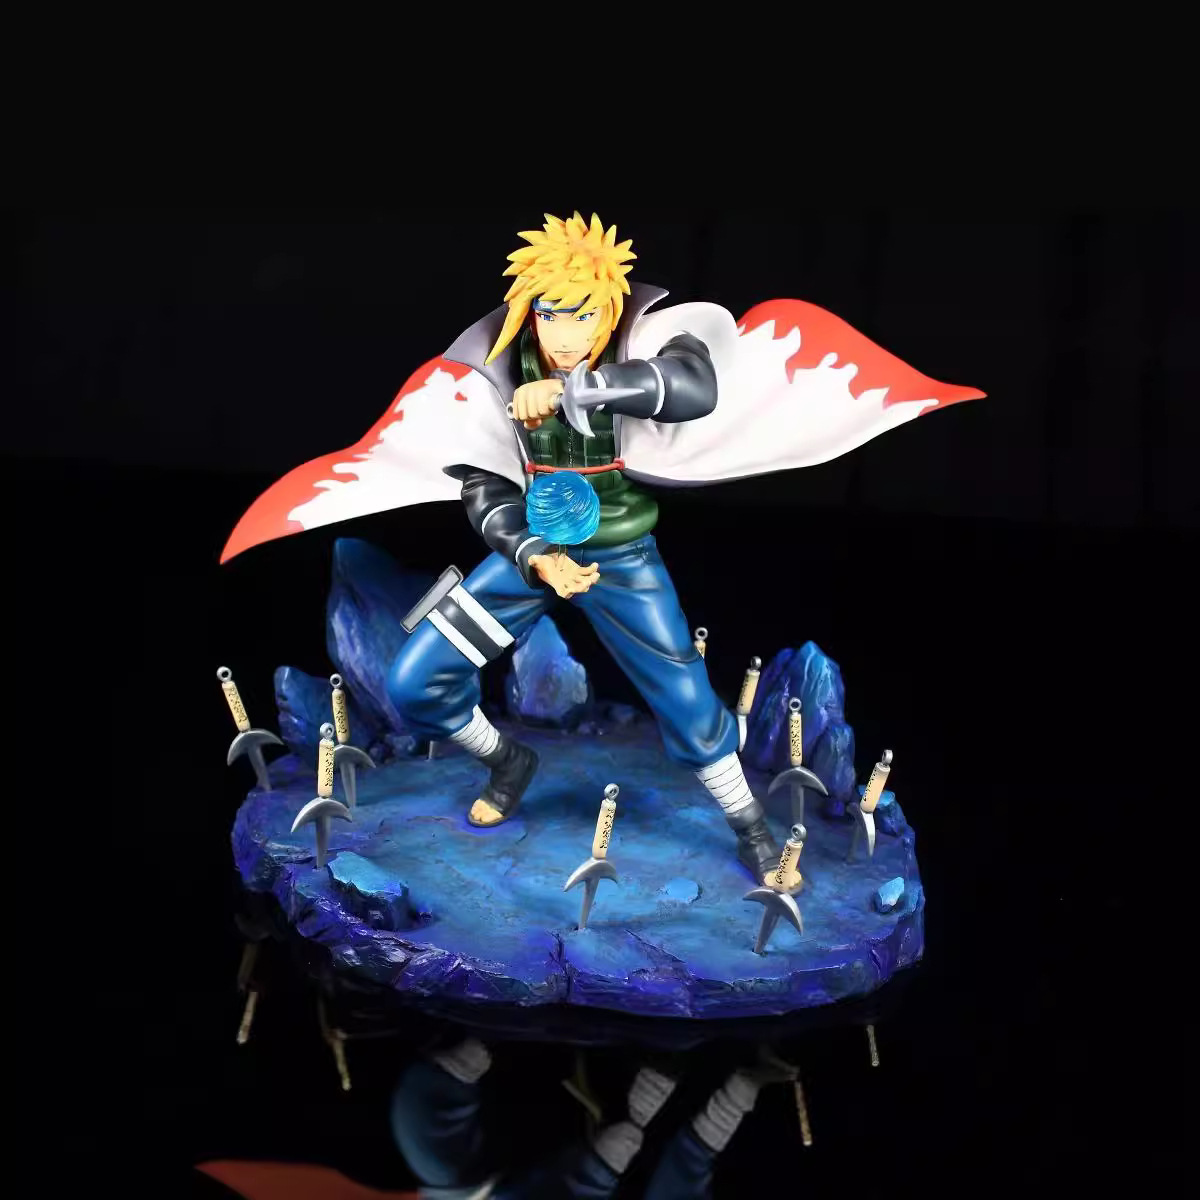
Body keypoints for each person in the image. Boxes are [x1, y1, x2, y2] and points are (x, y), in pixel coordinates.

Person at [385, 212, 783, 885]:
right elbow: (482, 487)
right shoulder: (491, 371)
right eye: (550, 315)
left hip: (620, 557)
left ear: (611, 311)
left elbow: (693, 383)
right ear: (528, 312)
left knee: (689, 705)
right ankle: (508, 762)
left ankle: (752, 829)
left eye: (585, 316)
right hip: (532, 557)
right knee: (415, 681)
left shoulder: (639, 343)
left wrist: (580, 390)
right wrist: (534, 555)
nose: (567, 336)